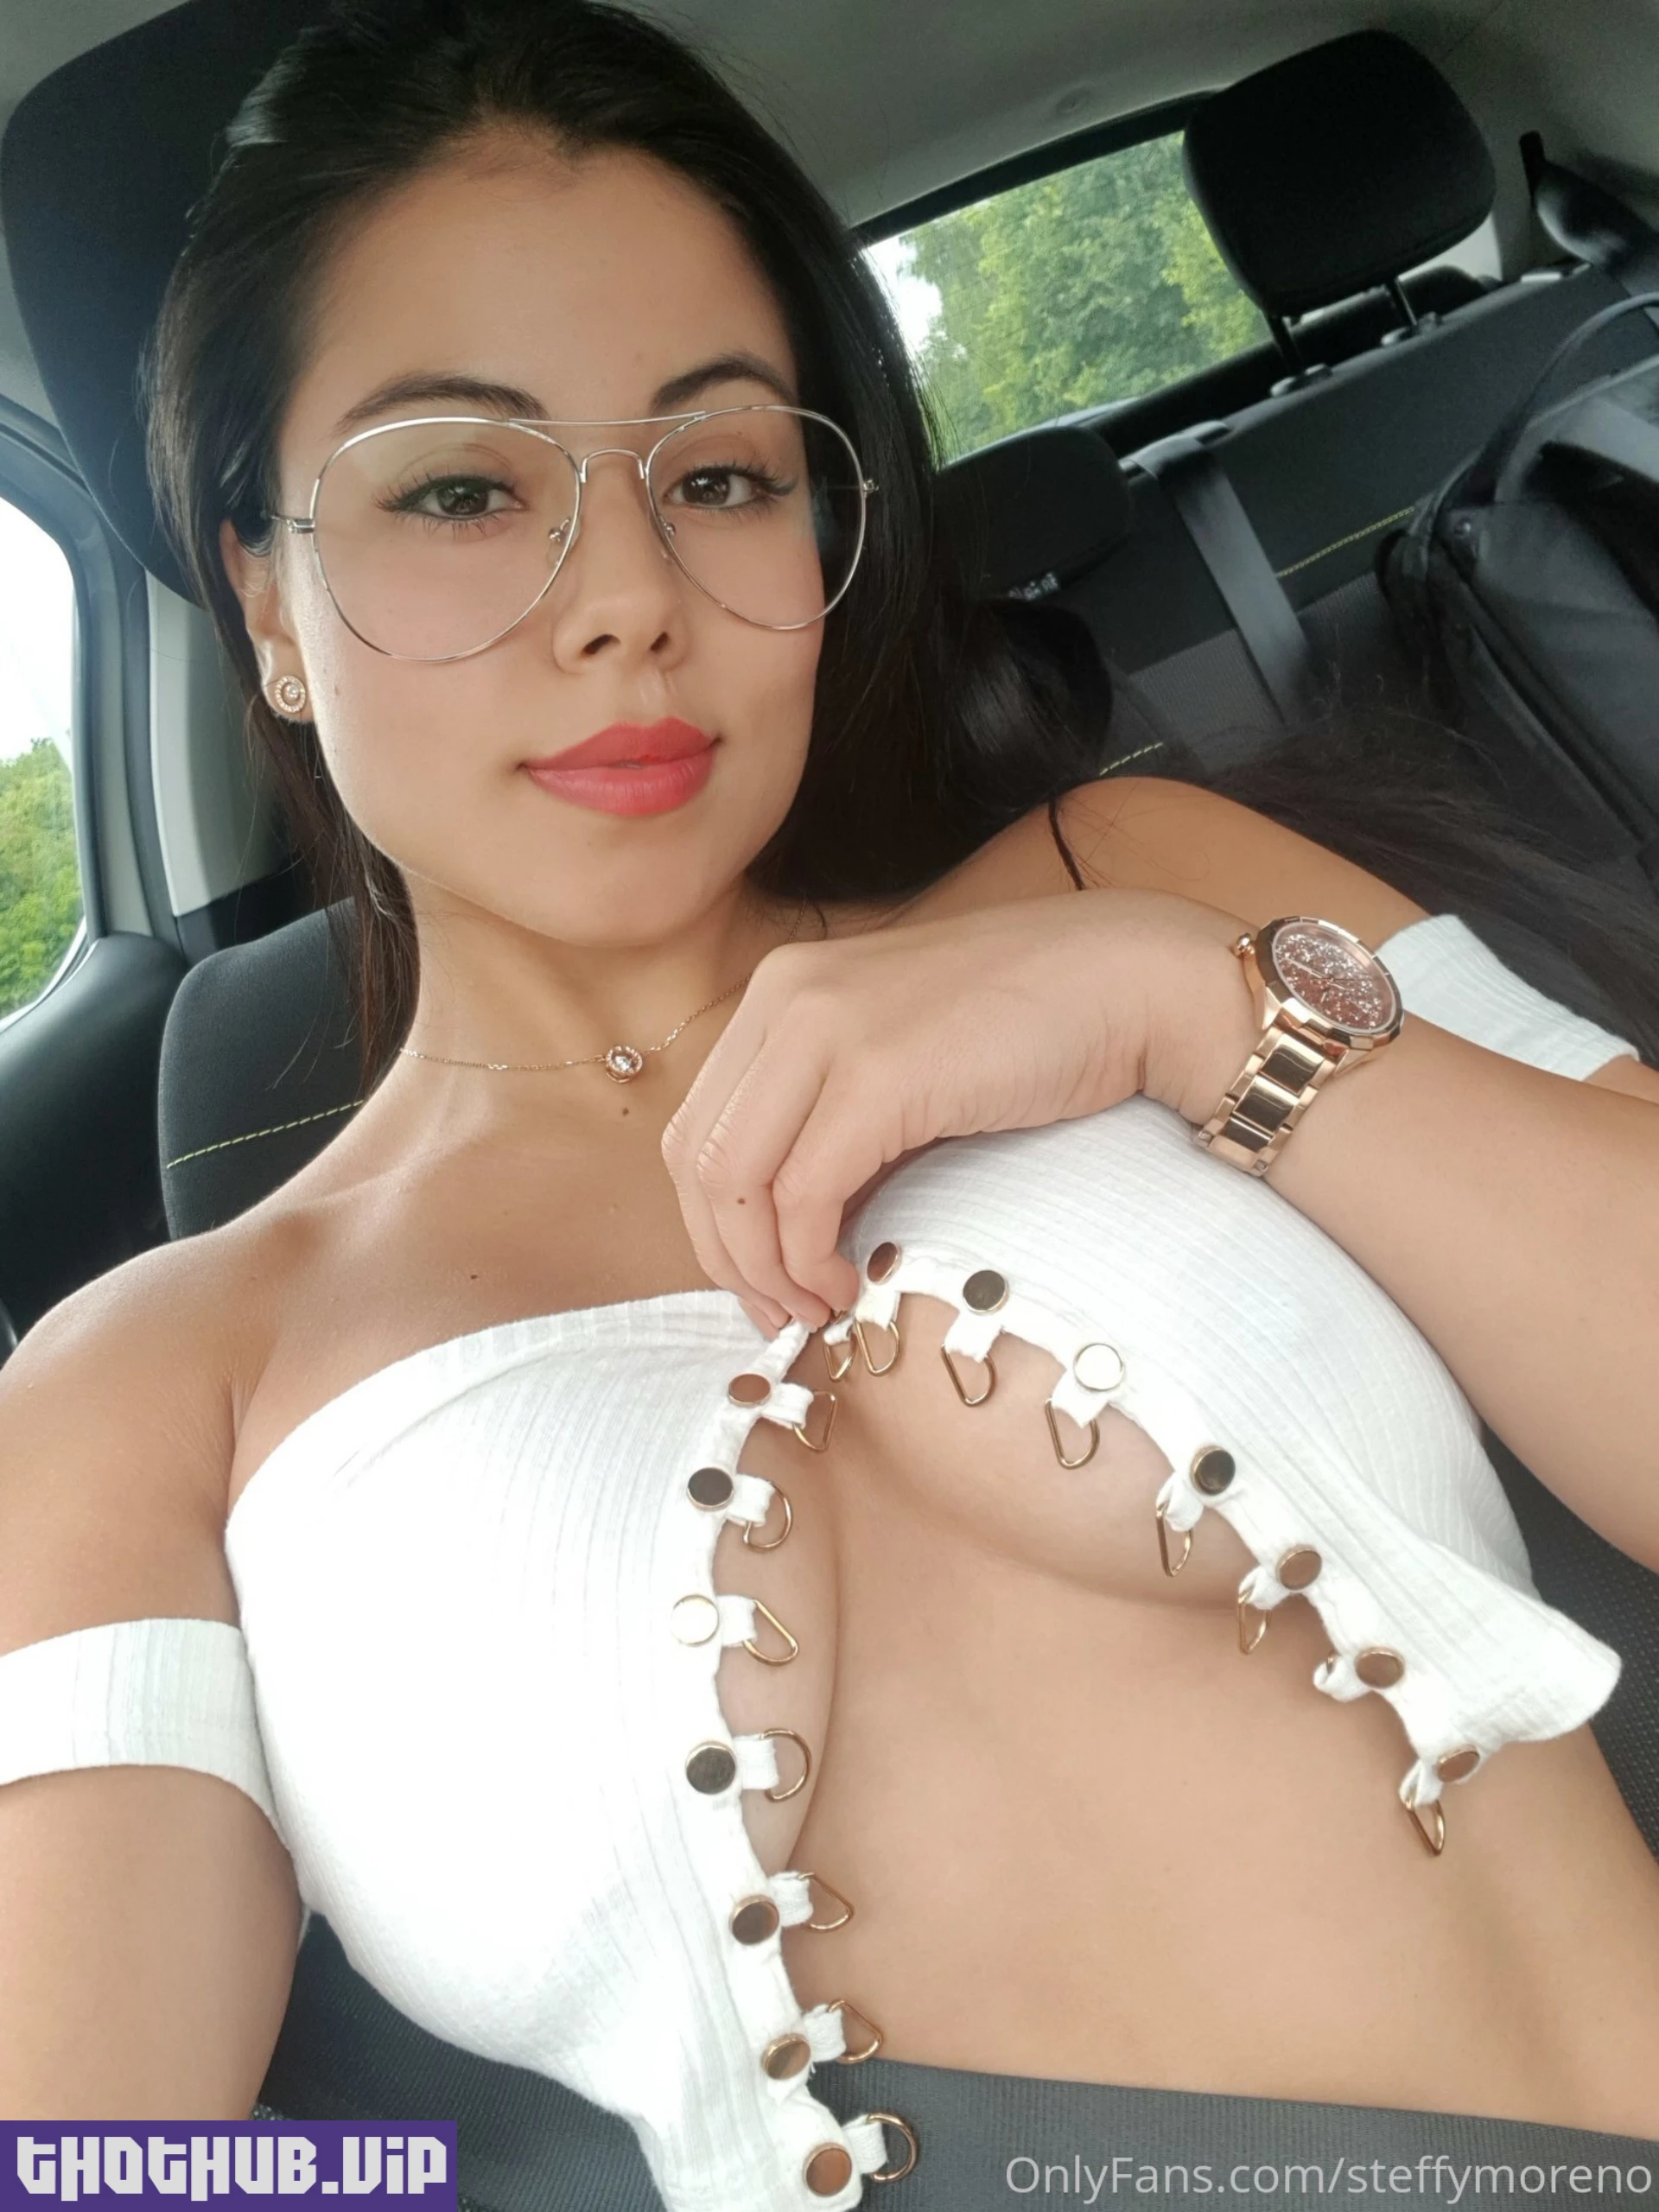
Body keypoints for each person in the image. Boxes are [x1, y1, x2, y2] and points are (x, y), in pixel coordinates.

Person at [1, 0, 1656, 2202]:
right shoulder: (152, 1385)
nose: (627, 599)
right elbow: (93, 2166)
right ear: (265, 601)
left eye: (720, 475)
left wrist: (1193, 1013)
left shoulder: (1140, 882)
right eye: (462, 488)